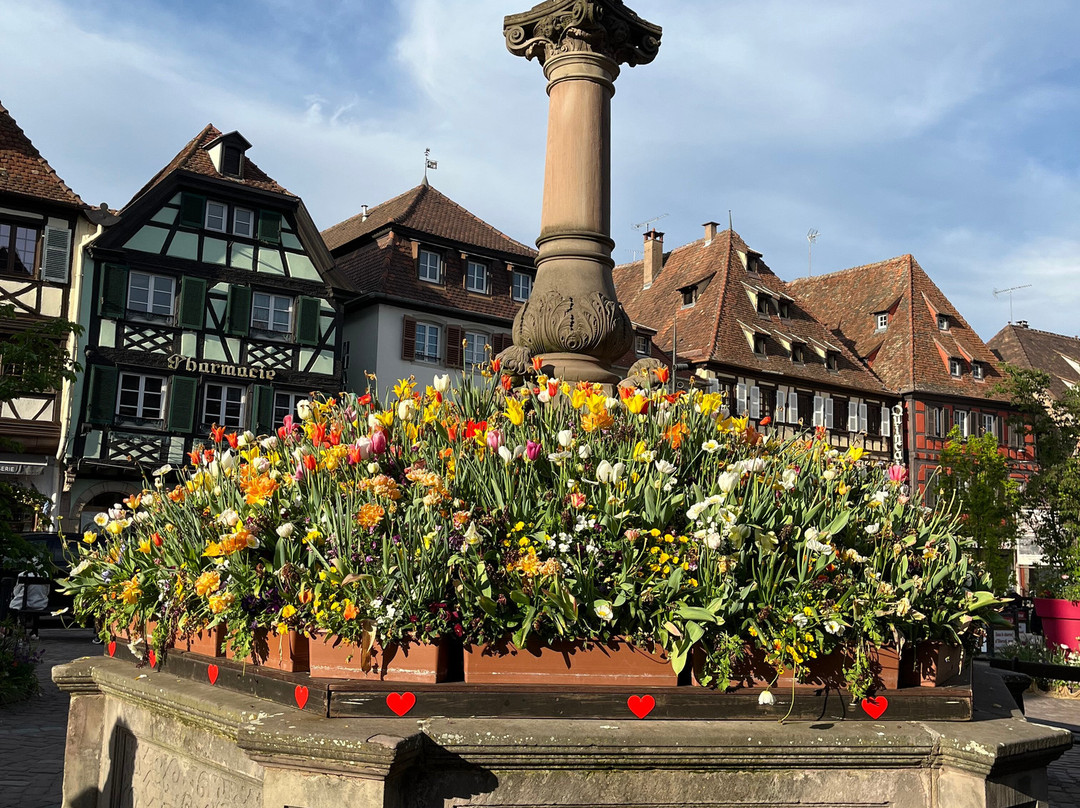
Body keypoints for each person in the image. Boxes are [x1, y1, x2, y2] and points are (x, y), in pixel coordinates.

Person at [8, 565, 50, 639]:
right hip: (40, 603)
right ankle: (34, 631)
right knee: (35, 610)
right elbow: (47, 591)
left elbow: (16, 592)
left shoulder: (23, 575)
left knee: (13, 607)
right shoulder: (46, 574)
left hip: (25, 603)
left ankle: (13, 630)